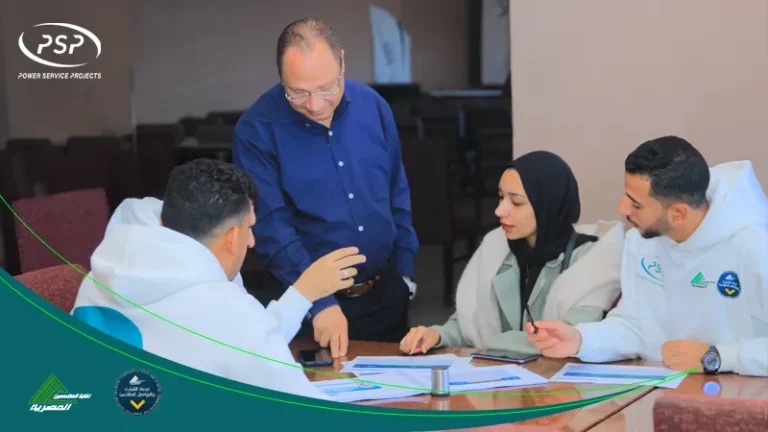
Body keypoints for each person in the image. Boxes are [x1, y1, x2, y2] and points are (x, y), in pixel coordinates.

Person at [71, 158, 367, 399]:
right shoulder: (227, 310)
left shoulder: (98, 280)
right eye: (250, 228)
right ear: (232, 237)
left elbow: (239, 346)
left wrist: (303, 293)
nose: (252, 242)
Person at [232, 17, 419, 358]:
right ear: (280, 77)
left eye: (325, 88)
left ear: (343, 63)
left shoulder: (373, 107)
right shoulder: (256, 129)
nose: (315, 105)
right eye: (298, 92)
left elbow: (396, 191)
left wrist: (405, 274)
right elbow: (273, 228)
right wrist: (318, 301)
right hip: (307, 311)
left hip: (386, 294)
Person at [526, 136, 768, 377]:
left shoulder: (754, 245)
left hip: (741, 399)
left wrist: (718, 357)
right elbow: (635, 326)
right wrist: (581, 339)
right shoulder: (641, 240)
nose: (622, 208)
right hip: (660, 392)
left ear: (679, 214)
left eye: (636, 204)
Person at [400, 151, 624, 355]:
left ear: (549, 205)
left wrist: (490, 344)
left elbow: (562, 339)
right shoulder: (497, 248)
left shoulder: (591, 263)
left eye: (516, 202)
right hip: (500, 391)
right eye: (500, 197)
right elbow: (471, 323)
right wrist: (436, 335)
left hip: (559, 392)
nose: (499, 211)